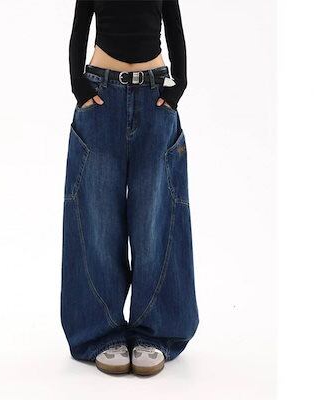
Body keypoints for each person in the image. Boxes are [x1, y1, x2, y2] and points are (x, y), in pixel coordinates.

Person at [61, 0, 199, 376]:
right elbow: (79, 28)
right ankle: (99, 332)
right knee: (96, 217)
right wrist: (78, 85)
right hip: (100, 97)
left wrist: (179, 83)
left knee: (156, 216)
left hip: (155, 98)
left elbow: (174, 25)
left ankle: (156, 331)